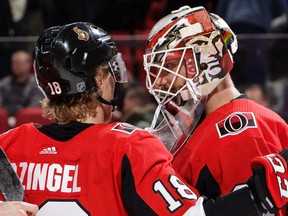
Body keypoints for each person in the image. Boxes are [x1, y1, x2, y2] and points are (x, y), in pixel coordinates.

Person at [0, 21, 288, 216]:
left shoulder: (9, 146)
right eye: (109, 70)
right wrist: (259, 192)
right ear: (99, 80)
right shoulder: (129, 147)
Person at [143, 5, 288, 216]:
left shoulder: (240, 132)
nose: (160, 81)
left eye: (170, 65)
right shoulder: (207, 127)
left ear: (205, 57)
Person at [0, 49, 44, 127]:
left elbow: (32, 108)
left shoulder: (36, 84)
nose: (15, 66)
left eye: (18, 63)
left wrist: (17, 114)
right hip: (5, 124)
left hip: (27, 124)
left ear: (28, 64)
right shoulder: (4, 83)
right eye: (13, 63)